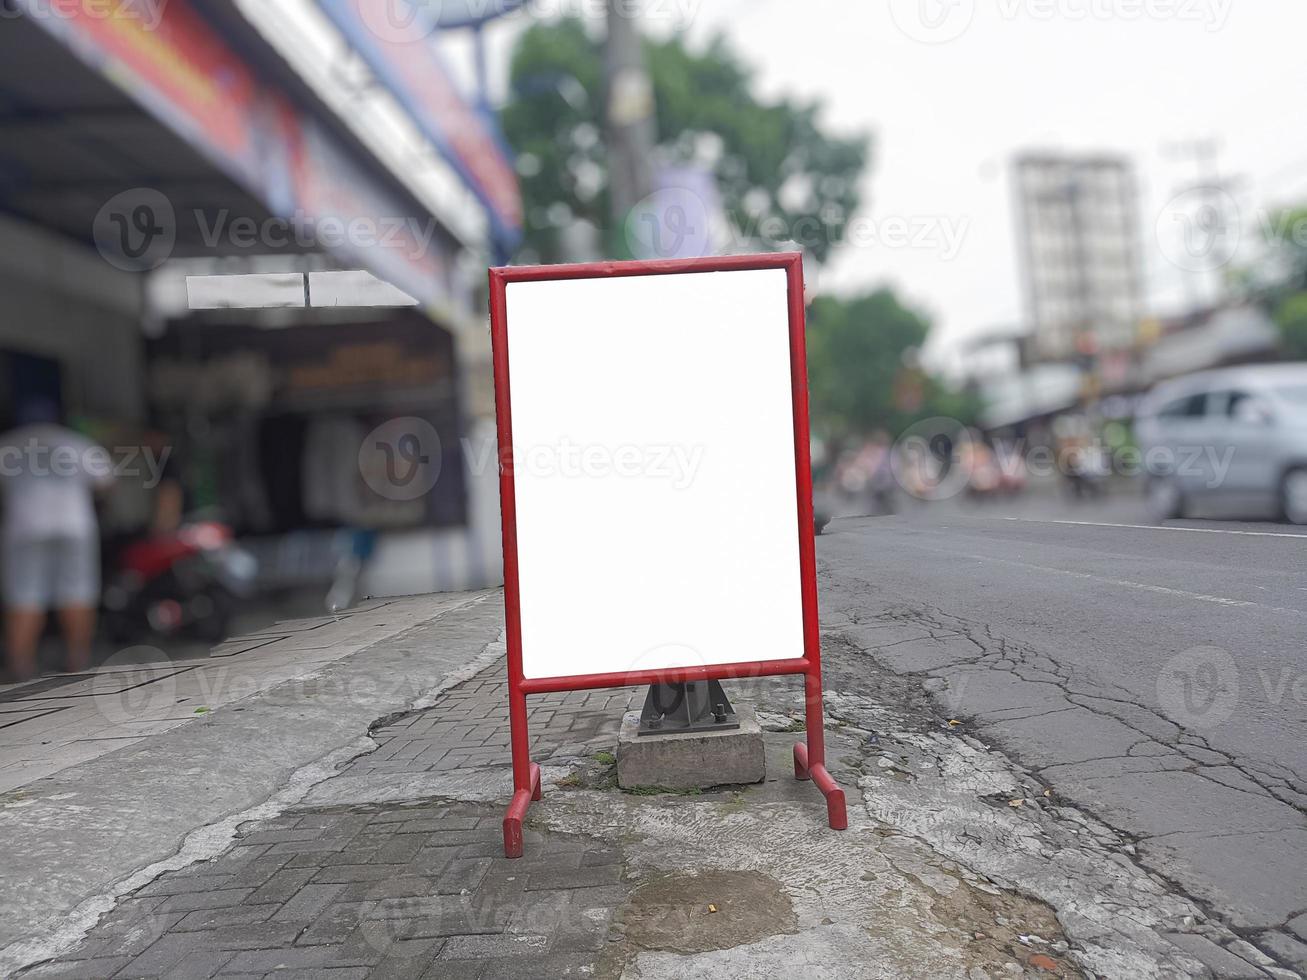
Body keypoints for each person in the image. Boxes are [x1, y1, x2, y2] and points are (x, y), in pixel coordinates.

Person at [0, 400, 113, 680]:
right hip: (74, 526)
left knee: (24, 596)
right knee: (77, 591)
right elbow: (106, 481)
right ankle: (78, 660)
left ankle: (21, 667)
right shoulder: (74, 443)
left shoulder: (8, 444)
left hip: (25, 528)